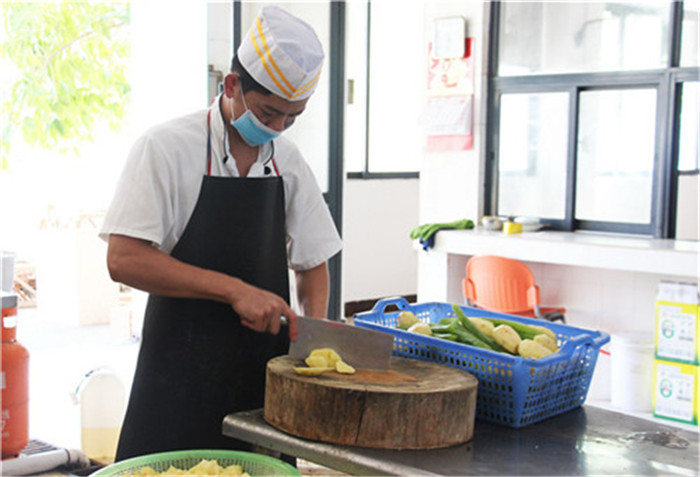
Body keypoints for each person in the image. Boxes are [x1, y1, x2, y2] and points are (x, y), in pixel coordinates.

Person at [100, 6, 342, 461]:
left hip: (262, 381)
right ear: (231, 85)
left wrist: (311, 338)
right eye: (269, 112)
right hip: (177, 373)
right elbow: (124, 258)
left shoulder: (288, 162)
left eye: (292, 118)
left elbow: (313, 261)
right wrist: (234, 291)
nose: (277, 128)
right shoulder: (166, 148)